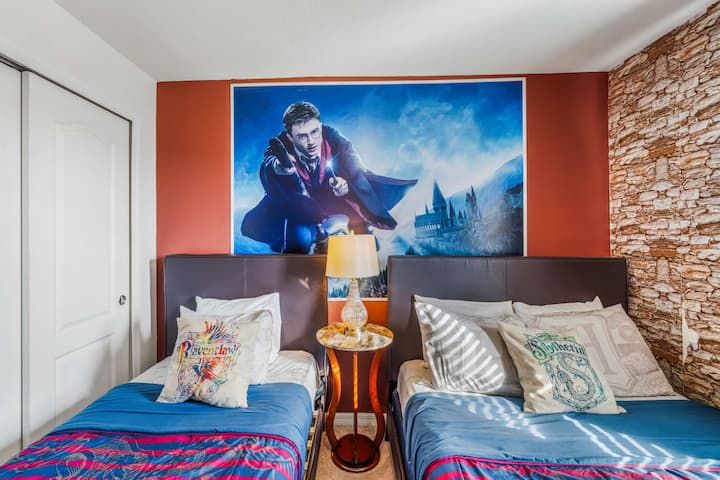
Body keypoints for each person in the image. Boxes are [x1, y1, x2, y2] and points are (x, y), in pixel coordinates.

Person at [242, 101, 417, 253]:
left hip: (338, 203)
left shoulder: (337, 143)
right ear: (290, 136)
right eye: (302, 136)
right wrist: (278, 168)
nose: (311, 141)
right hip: (301, 208)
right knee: (298, 242)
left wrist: (346, 185)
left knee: (366, 243)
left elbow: (357, 172)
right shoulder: (281, 148)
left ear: (321, 126)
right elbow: (268, 163)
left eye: (314, 132)